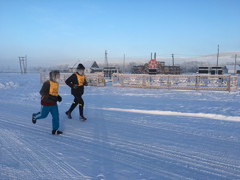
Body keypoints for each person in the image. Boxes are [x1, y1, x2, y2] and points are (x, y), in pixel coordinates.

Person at [32, 70, 63, 135]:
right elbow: (42, 92)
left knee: (56, 116)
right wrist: (50, 97)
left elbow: (54, 92)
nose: (59, 77)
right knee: (43, 115)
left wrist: (58, 96)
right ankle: (34, 116)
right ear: (53, 76)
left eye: (59, 75)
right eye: (57, 75)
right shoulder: (47, 83)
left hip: (54, 103)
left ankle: (55, 130)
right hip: (46, 103)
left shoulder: (56, 83)